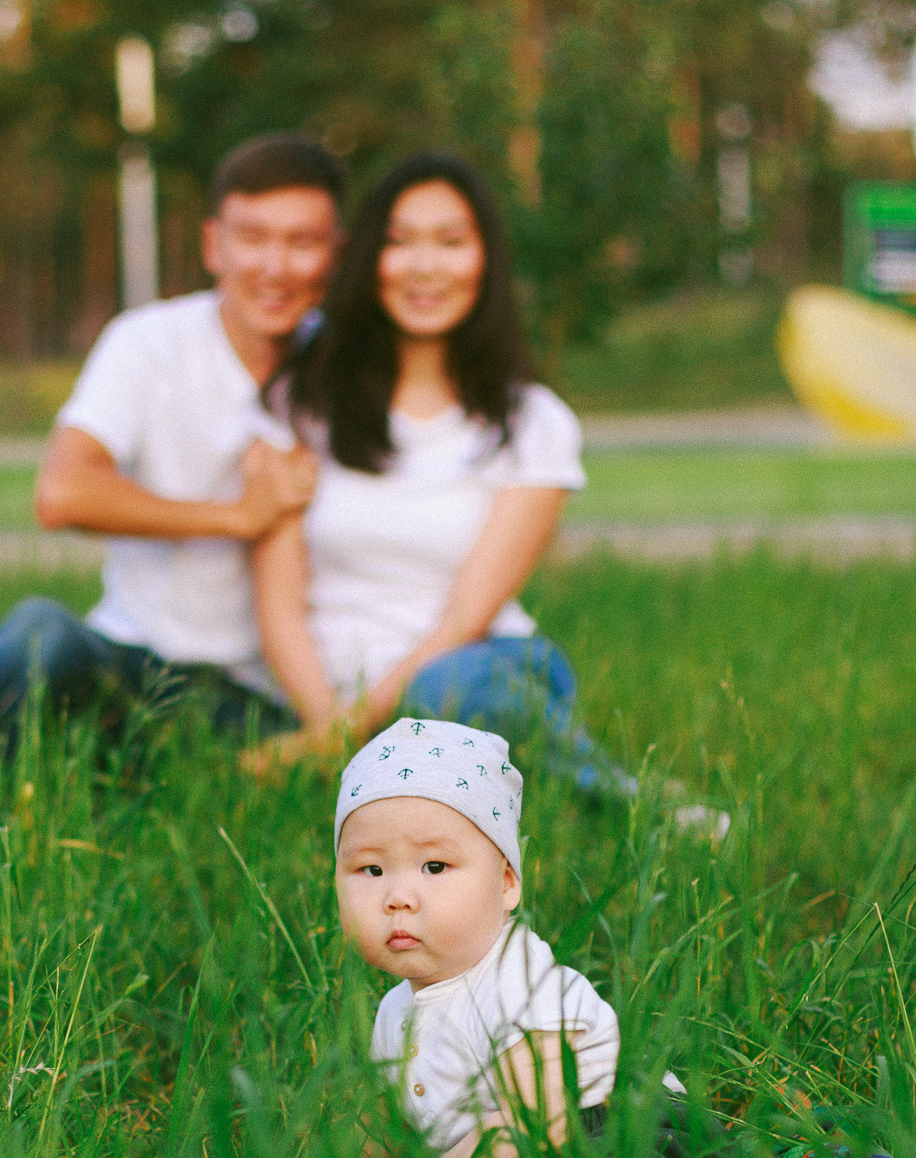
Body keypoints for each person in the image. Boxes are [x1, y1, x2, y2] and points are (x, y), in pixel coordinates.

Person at [0, 133, 344, 836]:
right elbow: (63, 492)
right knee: (41, 630)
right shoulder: (149, 343)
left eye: (303, 242)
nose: (275, 266)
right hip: (132, 663)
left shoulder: (353, 367)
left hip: (264, 700)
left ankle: (124, 783)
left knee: (171, 785)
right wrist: (237, 517)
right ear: (213, 245)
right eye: (253, 238)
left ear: (337, 251)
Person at [248, 151, 720, 837]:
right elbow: (278, 600)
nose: (425, 266)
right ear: (368, 259)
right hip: (326, 691)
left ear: (484, 261)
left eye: (450, 241)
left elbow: (467, 618)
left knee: (449, 693)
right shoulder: (302, 403)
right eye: (400, 242)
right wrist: (326, 720)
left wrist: (338, 739)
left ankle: (639, 806)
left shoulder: (534, 424)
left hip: (476, 671)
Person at [333, 717, 683, 1158]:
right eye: (371, 869)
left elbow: (530, 1125)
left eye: (434, 867)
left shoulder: (521, 982)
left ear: (506, 883)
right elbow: (383, 1132)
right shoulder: (394, 1012)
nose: (398, 897)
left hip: (611, 1143)